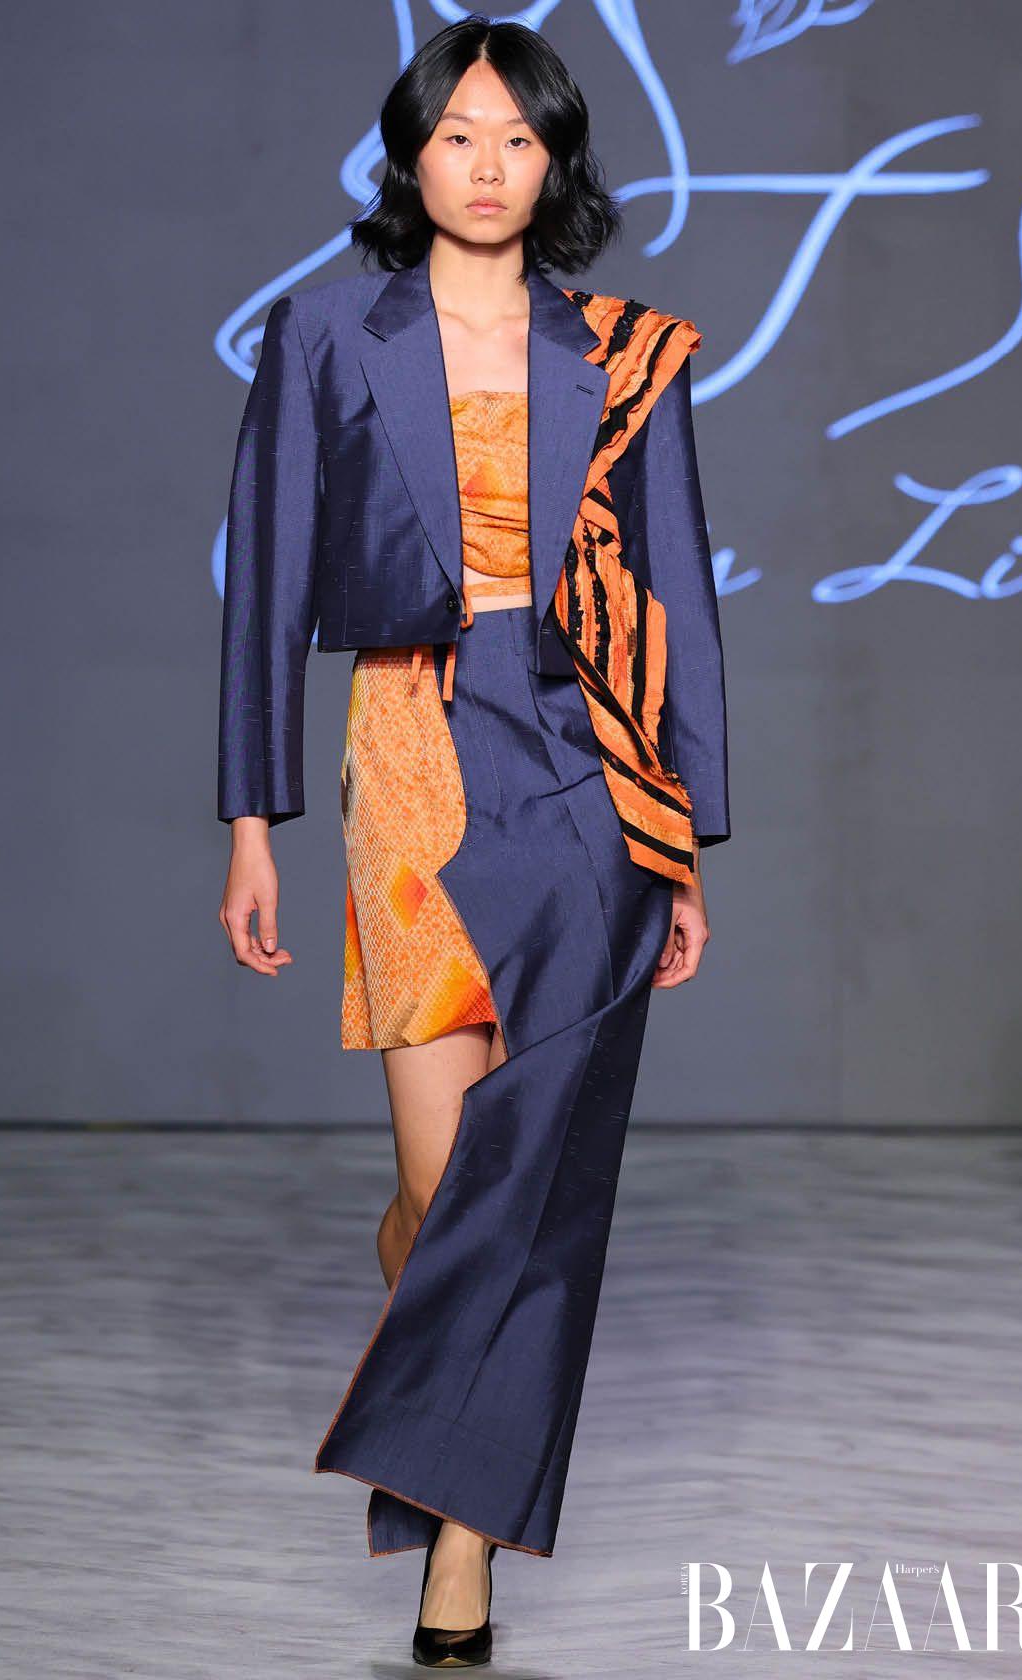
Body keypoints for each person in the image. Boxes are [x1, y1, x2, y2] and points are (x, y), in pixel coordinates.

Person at [217, 14, 730, 1667]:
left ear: (557, 159)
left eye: (520, 138)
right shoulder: (326, 331)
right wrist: (253, 822)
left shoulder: (627, 353)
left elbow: (677, 593)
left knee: (543, 1176)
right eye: (460, 135)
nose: (490, 166)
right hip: (414, 743)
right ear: (411, 155)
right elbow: (265, 583)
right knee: (447, 1192)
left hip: (591, 759)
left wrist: (690, 842)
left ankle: (461, 1549)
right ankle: (427, 1314)